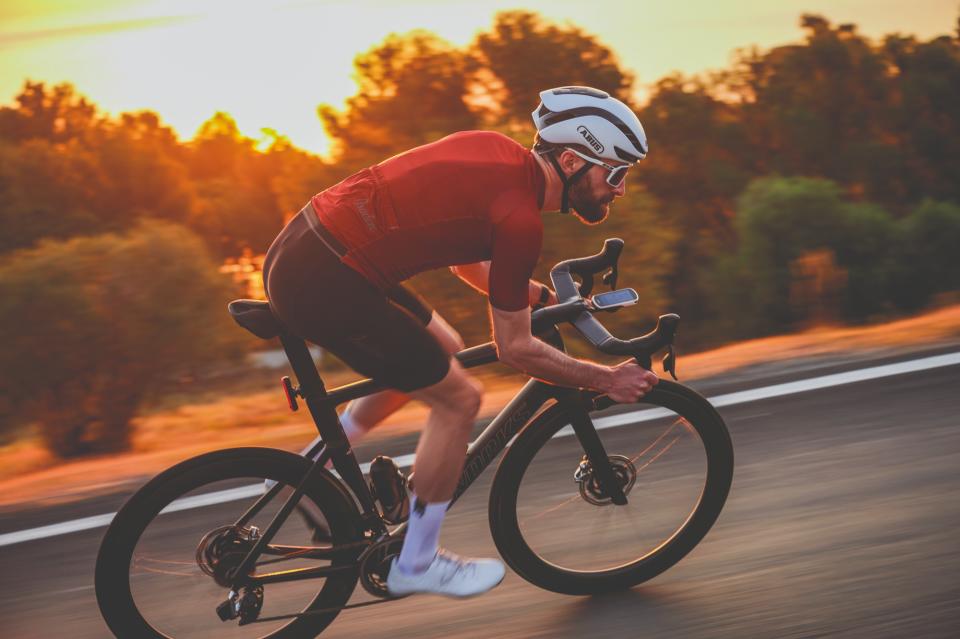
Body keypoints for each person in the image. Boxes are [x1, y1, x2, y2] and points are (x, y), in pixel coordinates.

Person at [261, 86, 660, 598]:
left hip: (304, 247)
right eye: (616, 173)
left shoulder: (497, 155)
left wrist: (535, 294)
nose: (620, 189)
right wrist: (607, 377)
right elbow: (514, 349)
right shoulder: (521, 220)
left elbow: (463, 256)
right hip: (326, 278)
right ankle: (417, 562)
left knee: (443, 347)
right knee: (460, 399)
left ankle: (306, 471)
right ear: (569, 160)